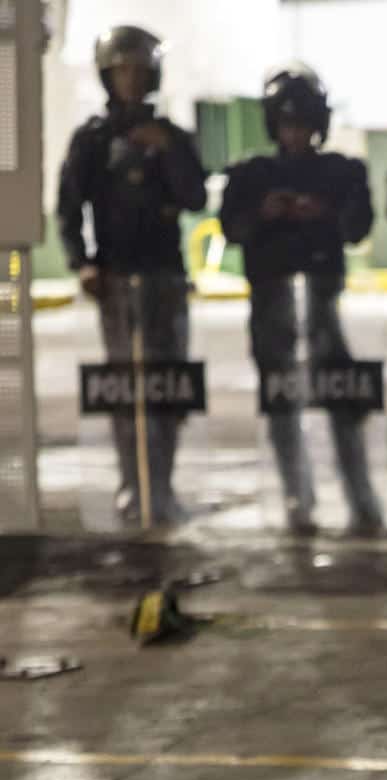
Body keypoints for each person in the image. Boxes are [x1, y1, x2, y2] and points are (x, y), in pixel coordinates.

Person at [222, 64, 385, 537]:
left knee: (341, 395)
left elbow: (359, 227)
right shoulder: (252, 174)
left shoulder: (341, 171)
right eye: (289, 123)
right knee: (280, 397)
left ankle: (360, 495)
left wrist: (326, 212)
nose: (297, 134)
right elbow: (232, 228)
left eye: (306, 124)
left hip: (325, 299)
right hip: (271, 298)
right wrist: (263, 212)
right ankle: (296, 497)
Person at [57, 25, 208, 526]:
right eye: (122, 71)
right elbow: (69, 206)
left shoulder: (174, 136)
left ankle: (161, 485)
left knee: (167, 384)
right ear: (107, 77)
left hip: (165, 275)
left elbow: (196, 197)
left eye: (140, 71)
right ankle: (131, 483)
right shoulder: (93, 140)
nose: (131, 81)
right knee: (126, 386)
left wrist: (165, 150)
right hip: (117, 277)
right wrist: (83, 262)